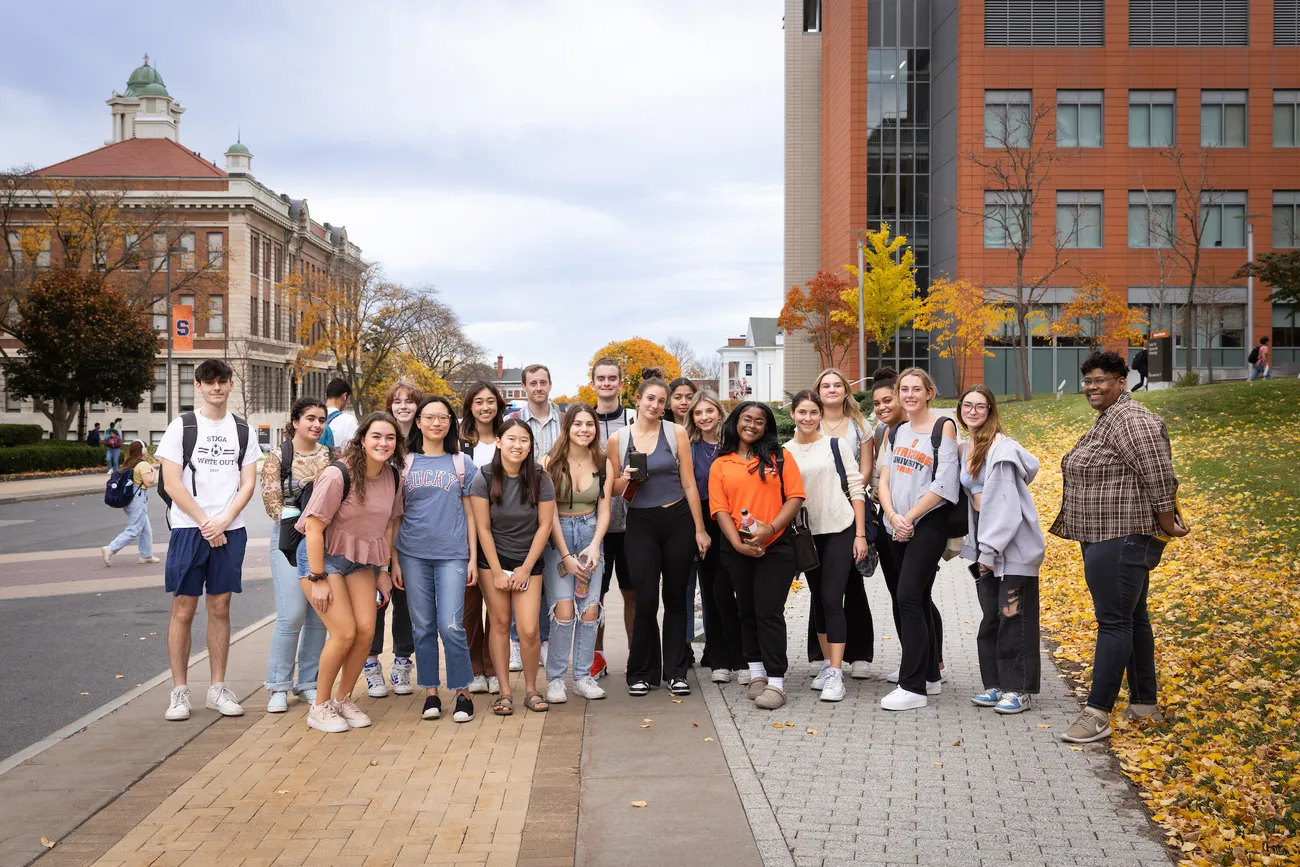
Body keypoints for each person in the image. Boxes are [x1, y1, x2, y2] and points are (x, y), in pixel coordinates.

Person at [1052, 351, 1188, 744]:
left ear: (1121, 382)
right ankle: (1145, 703)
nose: (1092, 387)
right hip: (1104, 533)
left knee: (1113, 622)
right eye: (1088, 381)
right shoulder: (1110, 418)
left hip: (1122, 536)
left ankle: (1097, 714)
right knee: (1133, 617)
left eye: (1100, 381)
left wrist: (1167, 521)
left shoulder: (1132, 420)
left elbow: (1159, 474)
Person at [158, 359, 260, 722]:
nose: (216, 388)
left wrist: (224, 520)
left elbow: (247, 483)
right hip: (190, 529)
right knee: (183, 609)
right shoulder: (181, 427)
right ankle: (180, 692)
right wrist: (205, 523)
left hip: (230, 530)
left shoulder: (244, 431)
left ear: (231, 385)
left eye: (222, 381)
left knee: (220, 608)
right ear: (198, 387)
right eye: (208, 382)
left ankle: (218, 688)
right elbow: (171, 483)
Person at [296, 412, 404, 733]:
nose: (383, 443)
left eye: (390, 438)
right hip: (321, 559)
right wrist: (317, 579)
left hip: (361, 560)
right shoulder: (337, 474)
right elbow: (313, 529)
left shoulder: (393, 476)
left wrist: (383, 569)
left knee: (366, 631)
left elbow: (388, 524)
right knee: (343, 633)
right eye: (376, 436)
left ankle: (343, 700)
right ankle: (320, 706)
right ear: (362, 439)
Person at [608, 368, 709, 698]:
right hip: (640, 524)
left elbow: (689, 483)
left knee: (676, 598)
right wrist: (626, 476)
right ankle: (641, 672)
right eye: (650, 398)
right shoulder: (619, 439)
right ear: (637, 399)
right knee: (646, 599)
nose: (655, 404)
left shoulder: (676, 433)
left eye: (661, 401)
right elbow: (614, 490)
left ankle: (676, 671)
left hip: (677, 519)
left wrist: (699, 529)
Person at [709, 401, 806, 711]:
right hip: (736, 547)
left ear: (767, 427)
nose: (752, 425)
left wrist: (771, 529)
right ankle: (756, 673)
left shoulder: (780, 457)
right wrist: (738, 544)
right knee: (746, 609)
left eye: (759, 421)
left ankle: (776, 682)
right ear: (736, 422)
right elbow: (719, 509)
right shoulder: (721, 464)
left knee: (768, 610)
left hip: (776, 546)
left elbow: (795, 498)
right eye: (746, 419)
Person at [956, 385, 1044, 715]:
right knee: (992, 618)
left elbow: (1006, 509)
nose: (974, 411)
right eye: (968, 405)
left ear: (991, 410)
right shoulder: (969, 446)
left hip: (1012, 551)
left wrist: (989, 552)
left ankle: (1018, 688)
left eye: (981, 406)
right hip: (986, 548)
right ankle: (995, 684)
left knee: (1013, 618)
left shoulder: (1001, 452)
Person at [877, 367, 959, 711]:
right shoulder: (896, 431)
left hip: (927, 523)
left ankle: (911, 687)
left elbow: (944, 484)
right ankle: (929, 674)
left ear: (929, 392)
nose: (909, 395)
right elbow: (883, 478)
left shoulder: (944, 427)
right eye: (904, 389)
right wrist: (894, 516)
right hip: (895, 522)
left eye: (916, 389)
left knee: (908, 597)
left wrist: (908, 518)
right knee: (917, 599)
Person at [393, 396, 478, 723]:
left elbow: (471, 514)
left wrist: (471, 557)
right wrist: (395, 560)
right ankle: (430, 693)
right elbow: (395, 516)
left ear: (450, 423)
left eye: (443, 418)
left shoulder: (461, 464)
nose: (436, 423)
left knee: (451, 625)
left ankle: (462, 692)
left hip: (452, 555)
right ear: (418, 422)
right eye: (429, 417)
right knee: (423, 626)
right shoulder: (405, 463)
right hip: (413, 555)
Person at [784, 391, 869, 702]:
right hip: (806, 534)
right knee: (819, 600)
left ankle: (836, 673)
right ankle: (825, 663)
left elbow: (856, 486)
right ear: (793, 414)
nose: (808, 418)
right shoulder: (784, 451)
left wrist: (860, 534)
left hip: (839, 528)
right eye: (802, 412)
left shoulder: (836, 445)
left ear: (820, 415)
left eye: (813, 412)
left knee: (833, 597)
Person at [469, 419, 556, 715]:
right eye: (511, 439)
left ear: (531, 446)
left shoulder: (541, 478)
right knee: (501, 623)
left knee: (530, 629)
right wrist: (495, 571)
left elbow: (545, 526)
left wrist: (525, 568)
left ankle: (531, 689)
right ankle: (504, 692)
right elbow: (482, 528)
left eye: (524, 440)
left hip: (528, 561)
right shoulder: (483, 478)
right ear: (498, 441)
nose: (517, 445)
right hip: (492, 560)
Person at [260, 398, 331, 713]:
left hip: (326, 541)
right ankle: (278, 685)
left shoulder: (331, 456)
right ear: (295, 422)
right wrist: (307, 519)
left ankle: (309, 683)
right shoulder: (278, 456)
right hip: (289, 539)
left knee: (319, 615)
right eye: (310, 419)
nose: (316, 425)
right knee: (292, 615)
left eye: (321, 420)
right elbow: (272, 503)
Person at [540, 404, 614, 703]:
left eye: (590, 424)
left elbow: (605, 509)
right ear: (567, 427)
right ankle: (556, 679)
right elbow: (548, 515)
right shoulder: (549, 463)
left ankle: (583, 676)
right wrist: (564, 555)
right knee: (564, 609)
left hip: (590, 535)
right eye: (578, 424)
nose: (584, 429)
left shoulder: (603, 461)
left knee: (590, 608)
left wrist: (595, 544)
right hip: (558, 537)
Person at [362, 380, 426, 700]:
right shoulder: (379, 441)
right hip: (374, 535)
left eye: (409, 401)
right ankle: (371, 664)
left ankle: (402, 661)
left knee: (405, 600)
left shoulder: (424, 442)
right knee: (375, 600)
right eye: (396, 401)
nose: (403, 406)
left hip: (410, 533)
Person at [811, 368, 874, 678]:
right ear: (818, 391)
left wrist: (843, 489)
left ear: (846, 390)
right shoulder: (810, 421)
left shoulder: (860, 426)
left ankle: (859, 654)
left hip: (851, 506)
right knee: (822, 588)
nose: (832, 390)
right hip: (817, 511)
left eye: (837, 385)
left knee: (852, 583)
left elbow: (865, 470)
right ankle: (825, 657)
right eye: (826, 385)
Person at [685, 390, 743, 684]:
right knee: (711, 592)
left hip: (734, 517)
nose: (704, 417)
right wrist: (698, 530)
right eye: (698, 413)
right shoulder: (689, 446)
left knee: (736, 590)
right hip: (704, 519)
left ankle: (742, 656)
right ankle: (719, 657)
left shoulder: (733, 444)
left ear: (720, 413)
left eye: (709, 411)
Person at [508, 363, 559, 670]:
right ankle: (517, 642)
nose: (538, 387)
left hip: (553, 507)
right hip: (519, 510)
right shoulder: (513, 421)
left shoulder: (563, 421)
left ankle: (543, 640)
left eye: (543, 382)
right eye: (532, 383)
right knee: (521, 575)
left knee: (546, 579)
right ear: (524, 387)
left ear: (550, 385)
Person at [459, 381, 507, 694]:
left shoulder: (507, 439)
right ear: (470, 407)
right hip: (464, 532)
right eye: (479, 402)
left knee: (498, 605)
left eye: (491, 401)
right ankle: (474, 668)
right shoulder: (459, 444)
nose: (485, 407)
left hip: (501, 531)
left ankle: (493, 668)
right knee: (468, 606)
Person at [591, 358, 635, 680]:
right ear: (592, 383)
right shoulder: (583, 420)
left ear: (621, 383)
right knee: (596, 595)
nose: (606, 383)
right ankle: (597, 656)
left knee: (633, 593)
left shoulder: (634, 418)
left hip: (634, 523)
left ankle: (635, 655)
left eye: (612, 378)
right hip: (596, 526)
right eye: (600, 378)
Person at [668, 375, 703, 664]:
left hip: (706, 511)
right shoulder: (664, 431)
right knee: (684, 585)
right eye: (677, 396)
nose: (683, 401)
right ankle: (685, 643)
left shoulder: (704, 430)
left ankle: (716, 643)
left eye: (688, 396)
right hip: (675, 515)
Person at [100, 440, 159, 566]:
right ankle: (110, 549)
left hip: (129, 499)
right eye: (146, 449)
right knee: (135, 530)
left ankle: (146, 555)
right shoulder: (143, 464)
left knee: (145, 528)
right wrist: (154, 472)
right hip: (138, 500)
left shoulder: (128, 464)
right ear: (142, 450)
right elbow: (148, 482)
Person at [321, 378, 358, 451]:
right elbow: (352, 452)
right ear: (345, 396)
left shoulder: (312, 418)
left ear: (326, 395)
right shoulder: (349, 421)